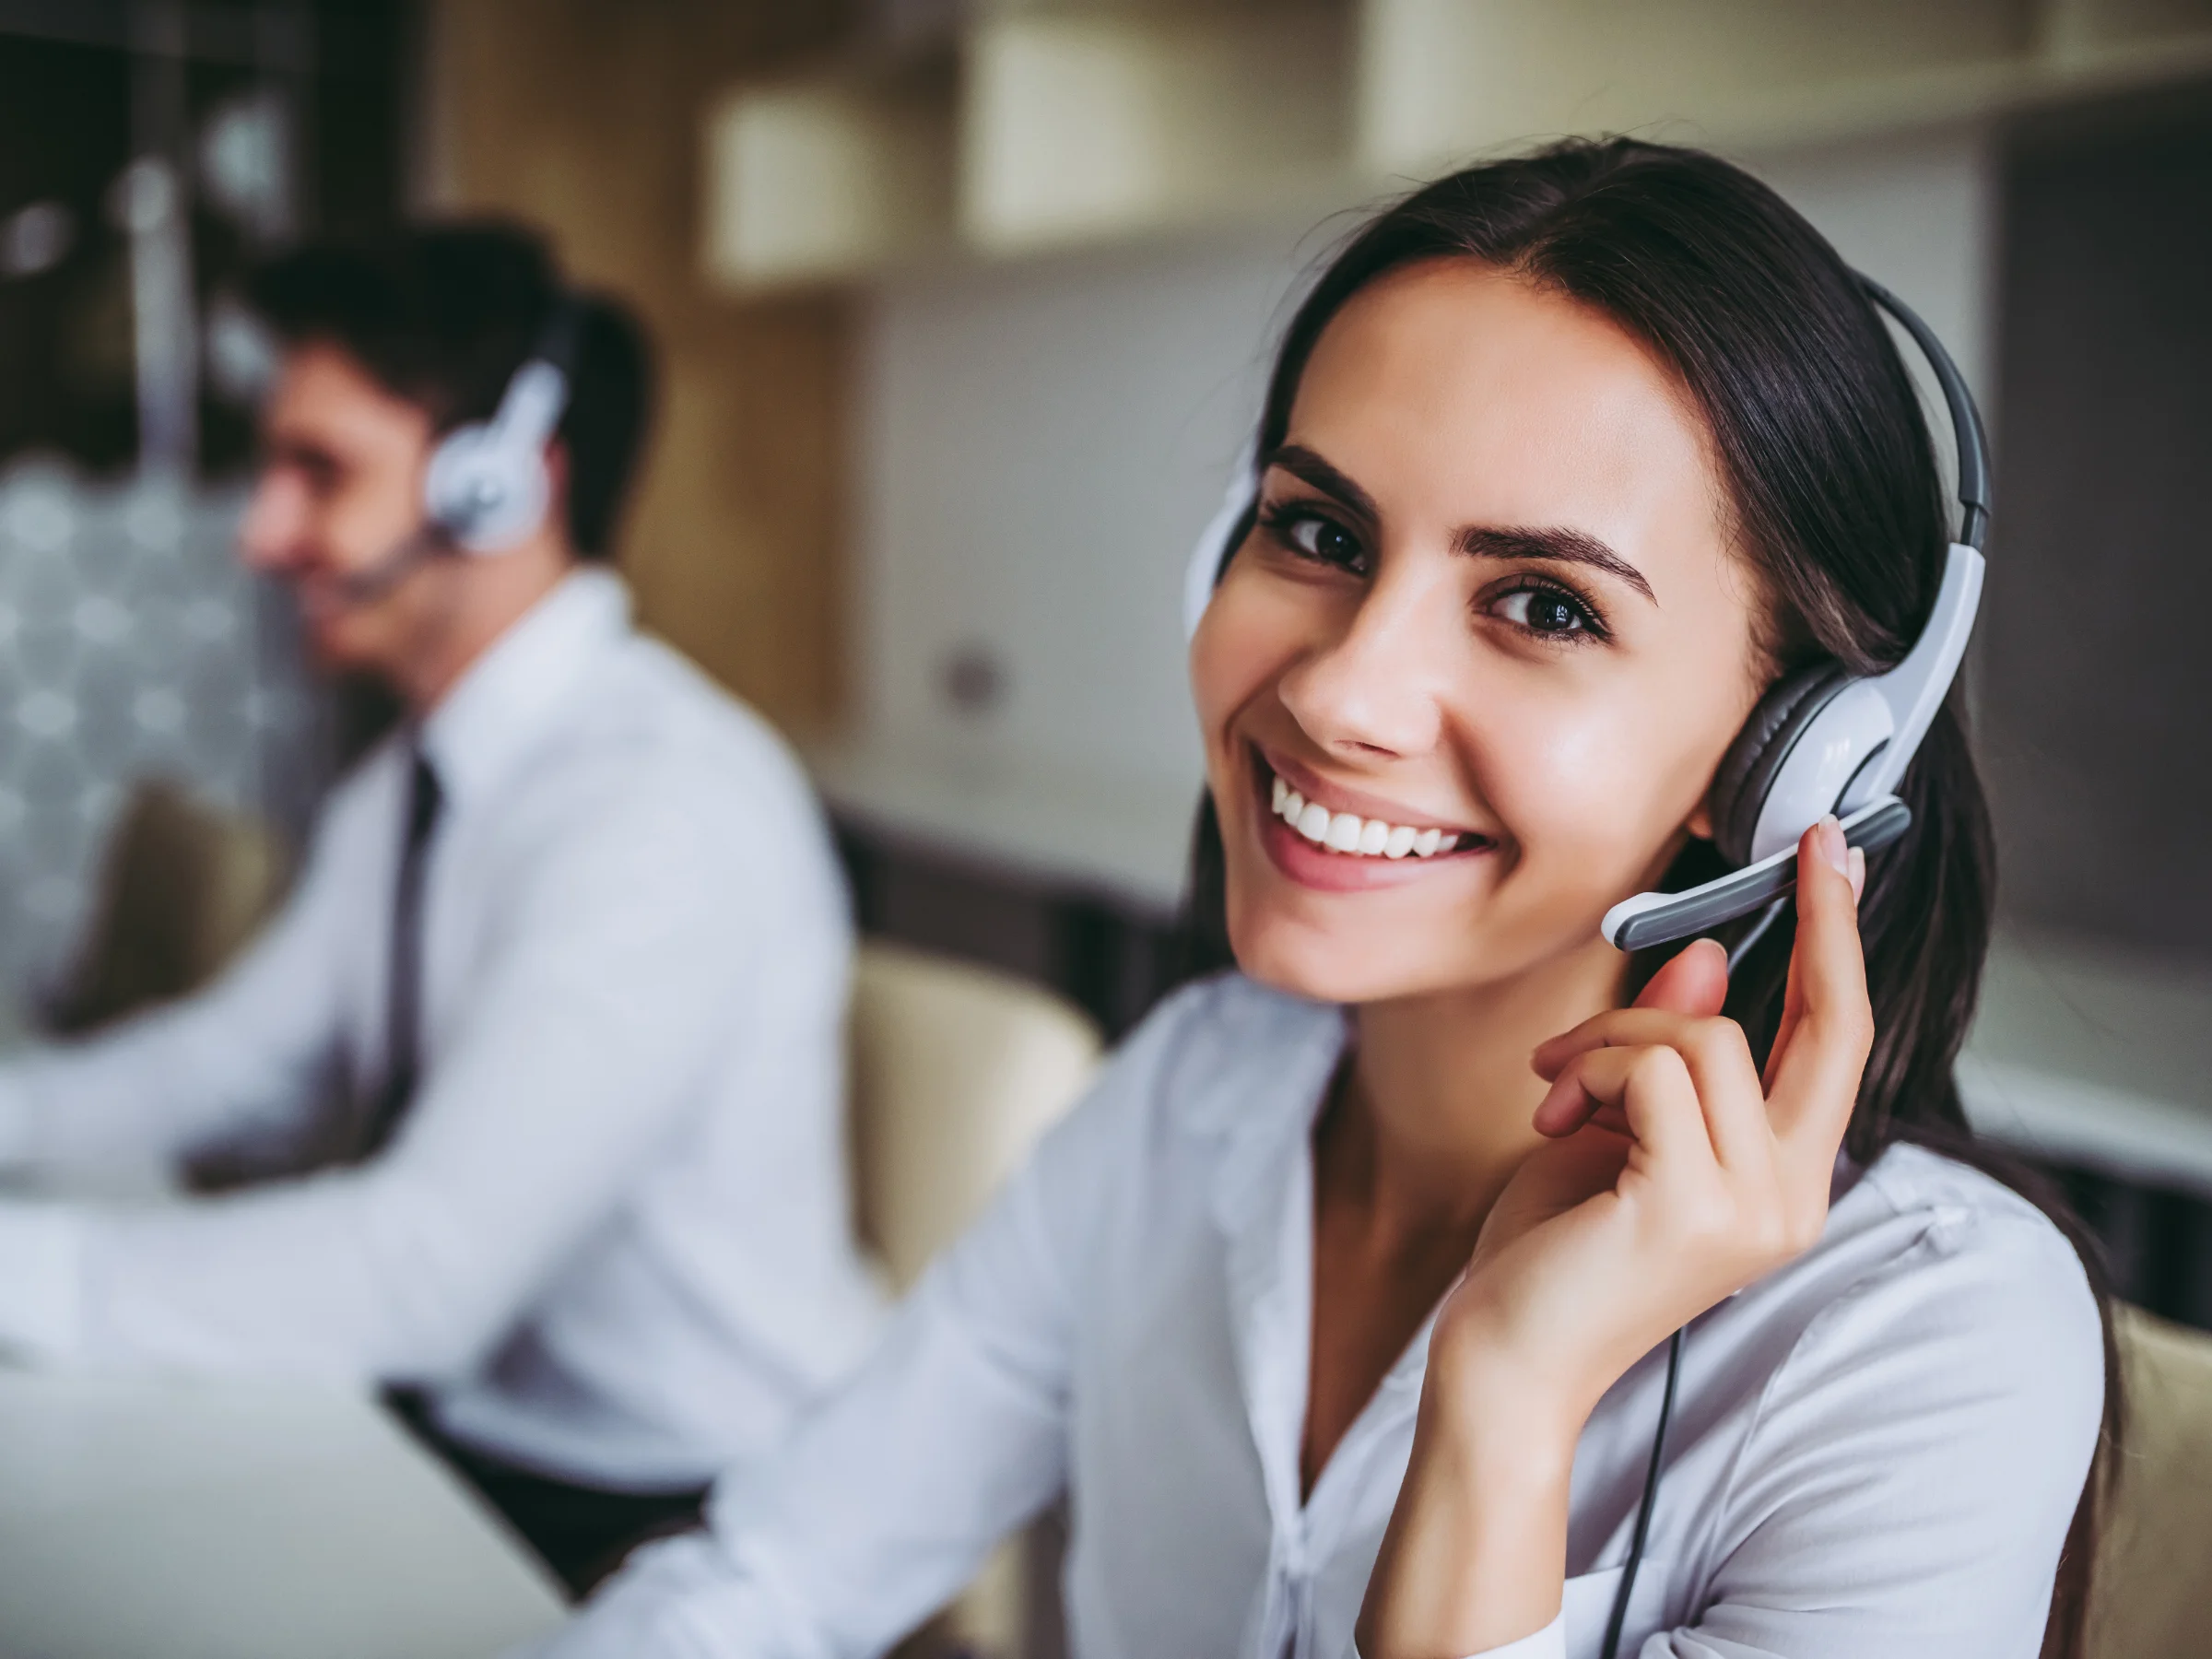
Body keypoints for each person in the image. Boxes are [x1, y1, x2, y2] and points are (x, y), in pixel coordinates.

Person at [529, 140, 2113, 1658]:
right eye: (1318, 530)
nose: (1346, 688)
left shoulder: (1928, 1339)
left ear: (1791, 759)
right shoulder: (1188, 1101)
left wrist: (1505, 1402)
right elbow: (768, 1581)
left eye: (1543, 604)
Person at [0, 223, 884, 1595]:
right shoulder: (420, 777)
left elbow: (421, 1271)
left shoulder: (655, 810)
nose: (260, 531)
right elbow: (232, 1064)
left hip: (678, 1505)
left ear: (498, 489)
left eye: (320, 471)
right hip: (481, 1431)